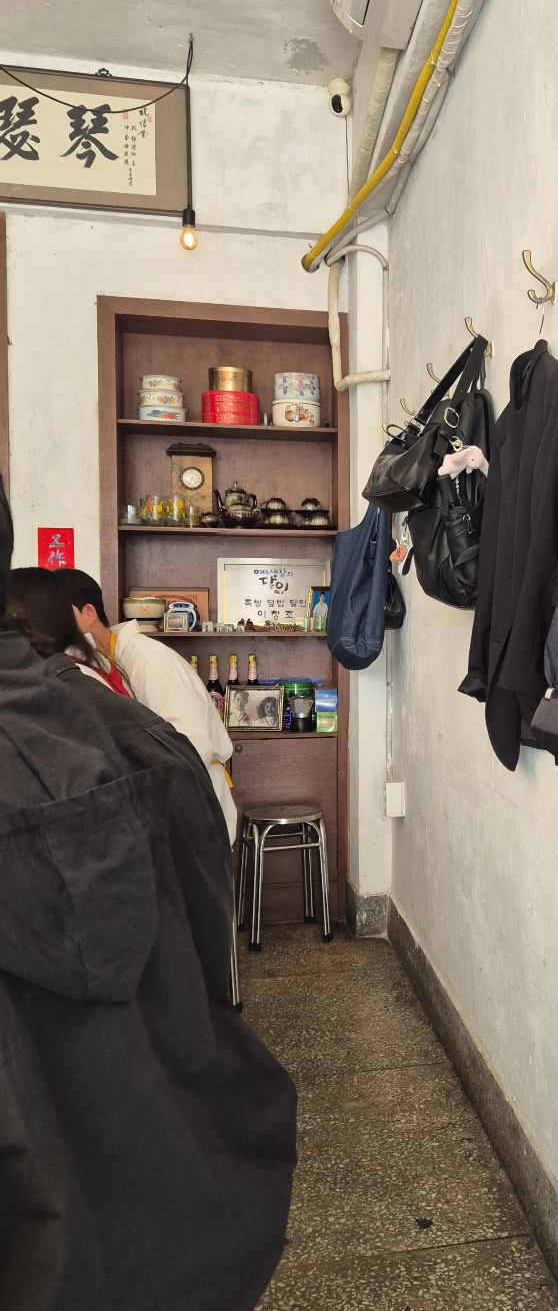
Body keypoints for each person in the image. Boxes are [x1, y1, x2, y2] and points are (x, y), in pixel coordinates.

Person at [0, 480, 297, 1310]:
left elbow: (204, 747)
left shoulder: (141, 679)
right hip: (174, 1217)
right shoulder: (112, 718)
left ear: (82, 620)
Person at [55, 568, 238, 844]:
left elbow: (191, 745)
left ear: (88, 613)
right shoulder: (106, 661)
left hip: (193, 799)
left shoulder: (150, 661)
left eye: (60, 616)